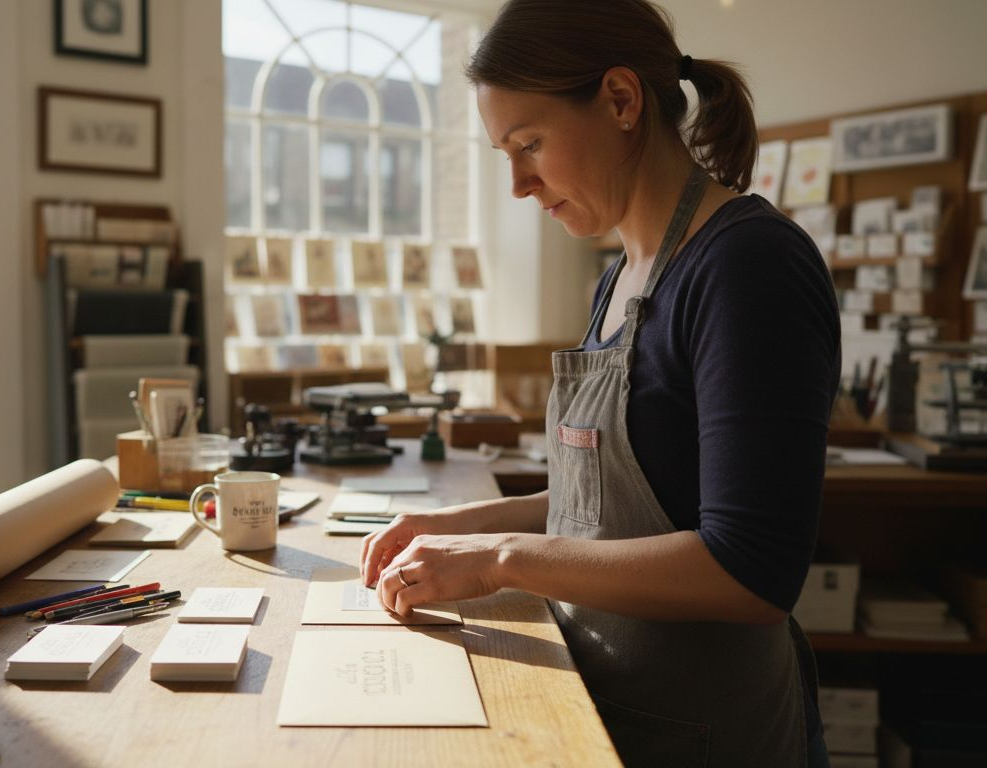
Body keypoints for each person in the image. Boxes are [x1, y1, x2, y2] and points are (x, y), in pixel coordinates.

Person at [358, 1, 840, 766]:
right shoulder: (619, 276)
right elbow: (616, 503)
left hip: (709, 735)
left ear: (621, 100)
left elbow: (751, 570)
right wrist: (467, 526)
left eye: (530, 143)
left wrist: (500, 559)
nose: (518, 183)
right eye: (503, 154)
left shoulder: (748, 268)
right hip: (610, 708)